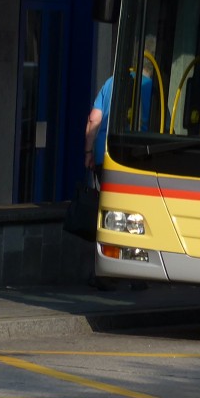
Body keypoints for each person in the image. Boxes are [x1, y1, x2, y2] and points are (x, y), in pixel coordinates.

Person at [84, 64, 153, 291]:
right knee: (137, 217)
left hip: (108, 156)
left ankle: (105, 273)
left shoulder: (111, 82)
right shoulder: (151, 87)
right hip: (139, 159)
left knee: (108, 215)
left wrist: (88, 152)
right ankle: (137, 274)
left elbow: (94, 119)